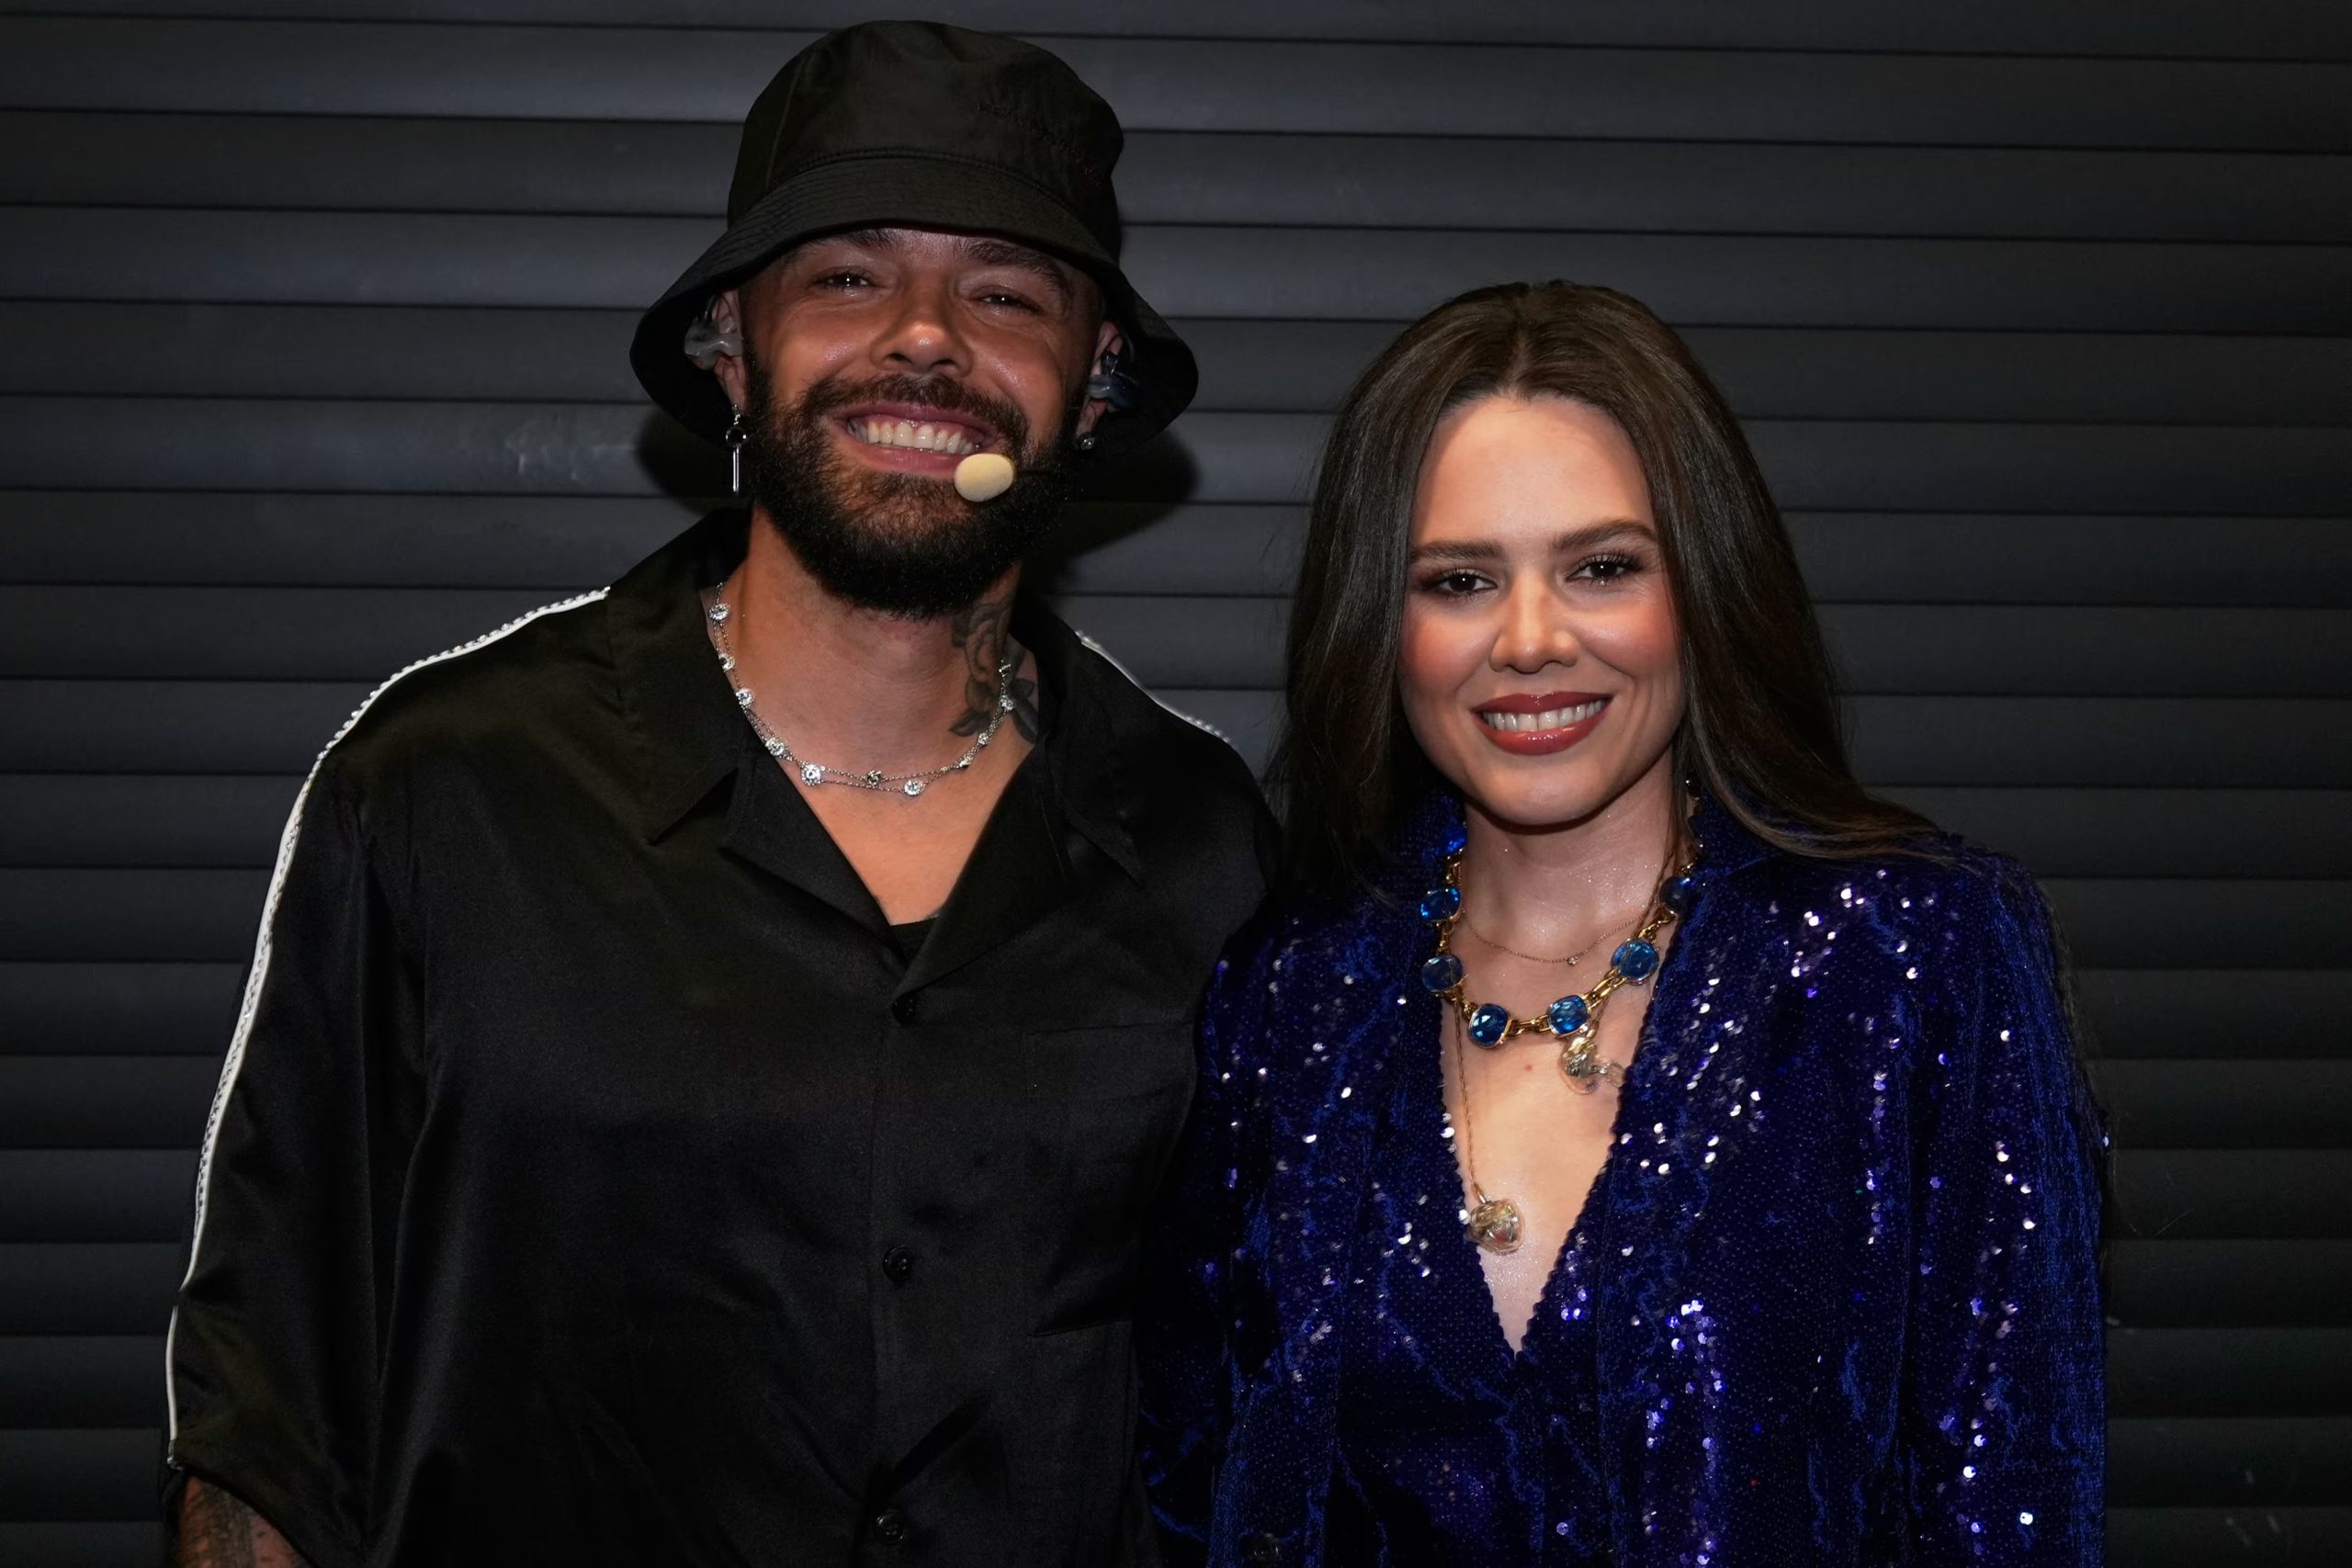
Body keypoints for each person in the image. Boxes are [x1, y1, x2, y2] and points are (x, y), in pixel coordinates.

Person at [164, 21, 1270, 1567]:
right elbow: (268, 1425)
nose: (930, 340)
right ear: (733, 351)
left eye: (1007, 293)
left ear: (1092, 385)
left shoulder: (1207, 841)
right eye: (849, 277)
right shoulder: (440, 790)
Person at [1136, 283, 2104, 1566]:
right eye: (1460, 579)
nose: (1530, 640)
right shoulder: (1289, 995)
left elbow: (2012, 1497)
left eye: (1602, 567)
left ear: (1701, 588)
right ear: (1385, 622)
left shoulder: (1915, 956)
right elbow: (1197, 1481)